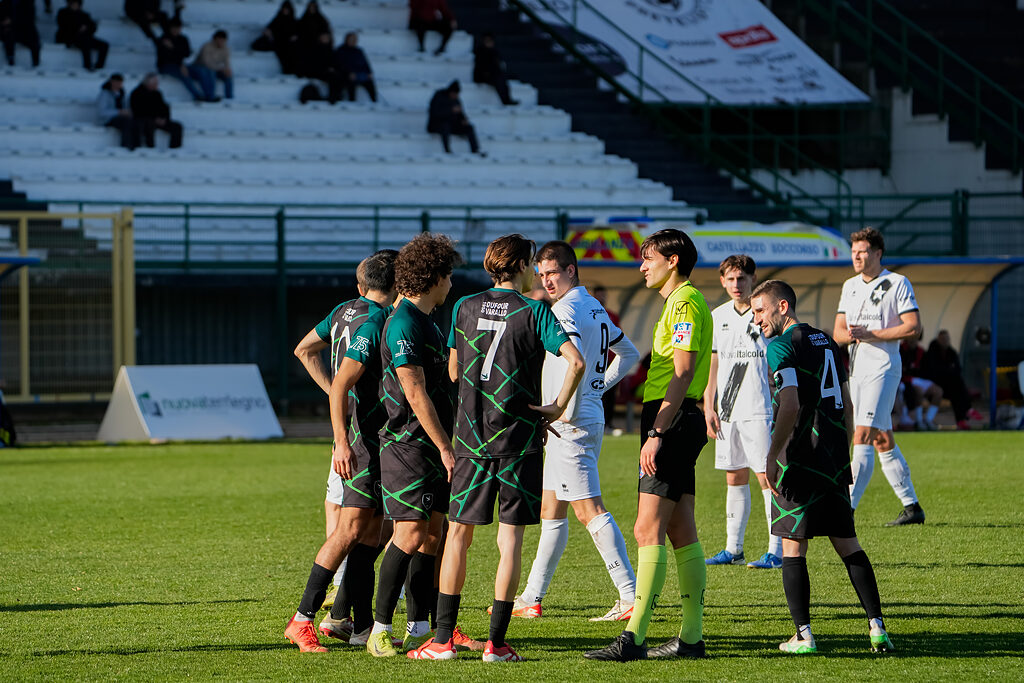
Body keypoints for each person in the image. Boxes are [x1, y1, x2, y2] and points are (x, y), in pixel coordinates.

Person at [406, 234, 584, 662]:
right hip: (519, 442)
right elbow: (576, 361)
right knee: (511, 541)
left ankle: (442, 641)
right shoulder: (535, 310)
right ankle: (497, 645)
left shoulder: (464, 306)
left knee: (457, 537)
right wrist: (557, 406)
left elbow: (453, 372)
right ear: (521, 265)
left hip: (470, 441)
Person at [585, 228, 711, 662]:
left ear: (672, 261)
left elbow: (682, 372)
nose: (642, 267)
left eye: (649, 258)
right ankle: (691, 639)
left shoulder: (685, 302)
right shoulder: (680, 301)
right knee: (681, 529)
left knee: (646, 528)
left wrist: (657, 431)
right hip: (677, 417)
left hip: (671, 418)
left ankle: (634, 638)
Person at [750, 279, 894, 655]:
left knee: (792, 547)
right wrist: (841, 450)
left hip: (798, 460)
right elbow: (846, 402)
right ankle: (877, 628)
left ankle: (803, 635)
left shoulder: (781, 346)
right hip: (831, 459)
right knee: (848, 544)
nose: (757, 320)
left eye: (760, 310)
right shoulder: (827, 341)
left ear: (783, 307)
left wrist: (772, 454)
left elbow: (790, 403)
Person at [513, 241, 640, 621]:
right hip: (580, 416)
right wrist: (598, 389)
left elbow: (576, 362)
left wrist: (566, 406)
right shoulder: (593, 306)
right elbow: (629, 354)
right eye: (541, 274)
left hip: (570, 423)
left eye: (552, 272)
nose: (546, 280)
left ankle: (630, 596)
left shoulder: (565, 310)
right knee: (551, 510)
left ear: (571, 270)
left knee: (589, 510)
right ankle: (531, 597)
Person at [284, 251, 400, 653]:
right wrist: (341, 403)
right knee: (351, 530)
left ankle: (360, 626)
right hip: (362, 440)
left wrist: (336, 394)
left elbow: (304, 350)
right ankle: (302, 619)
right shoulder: (380, 319)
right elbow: (339, 378)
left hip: (359, 436)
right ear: (398, 284)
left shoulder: (341, 311)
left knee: (371, 533)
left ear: (360, 284)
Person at [364, 233, 461, 658]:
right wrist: (445, 447)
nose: (452, 284)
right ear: (435, 277)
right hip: (409, 445)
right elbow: (414, 391)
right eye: (449, 275)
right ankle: (378, 630)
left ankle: (421, 627)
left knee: (433, 535)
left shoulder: (429, 321)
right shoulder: (403, 321)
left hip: (434, 445)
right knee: (409, 533)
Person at [833, 228, 925, 527]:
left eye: (862, 251)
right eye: (853, 252)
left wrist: (872, 334)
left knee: (861, 435)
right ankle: (912, 507)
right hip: (857, 370)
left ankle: (845, 510)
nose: (857, 257)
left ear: (877, 253)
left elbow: (913, 327)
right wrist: (851, 335)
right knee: (882, 439)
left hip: (883, 367)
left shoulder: (897, 282)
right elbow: (837, 332)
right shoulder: (849, 286)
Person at [703, 255, 783, 570]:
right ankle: (733, 549)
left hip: (759, 407)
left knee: (766, 476)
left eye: (742, 278)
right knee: (734, 474)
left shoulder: (765, 314)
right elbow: (714, 363)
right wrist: (708, 404)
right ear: (723, 281)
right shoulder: (718, 315)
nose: (736, 284)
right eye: (731, 279)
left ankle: (776, 550)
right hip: (727, 409)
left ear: (753, 279)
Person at [925, 329, 980, 429]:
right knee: (957, 385)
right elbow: (934, 371)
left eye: (946, 339)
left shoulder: (952, 353)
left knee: (956, 391)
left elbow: (957, 370)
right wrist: (948, 371)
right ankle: (968, 410)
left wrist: (948, 372)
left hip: (949, 386)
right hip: (934, 384)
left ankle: (961, 420)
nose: (945, 341)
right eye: (942, 339)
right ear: (938, 340)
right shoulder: (932, 352)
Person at [156, 18, 213, 102]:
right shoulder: (164, 39)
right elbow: (166, 57)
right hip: (166, 66)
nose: (176, 30)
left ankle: (209, 96)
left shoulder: (183, 39)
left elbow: (187, 53)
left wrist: (173, 48)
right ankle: (197, 96)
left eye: (178, 28)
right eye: (174, 28)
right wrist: (179, 58)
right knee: (183, 73)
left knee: (202, 70)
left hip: (182, 64)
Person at [591, 285, 621, 430]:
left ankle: (608, 422)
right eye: (599, 294)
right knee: (596, 391)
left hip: (610, 360)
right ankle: (596, 422)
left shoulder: (612, 316)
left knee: (610, 393)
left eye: (603, 294)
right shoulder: (589, 314)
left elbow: (620, 339)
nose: (601, 297)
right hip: (595, 360)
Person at [899, 334, 942, 431]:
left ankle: (928, 420)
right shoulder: (900, 349)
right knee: (919, 391)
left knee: (938, 391)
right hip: (904, 380)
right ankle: (918, 421)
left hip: (918, 379)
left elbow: (925, 370)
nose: (913, 341)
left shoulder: (920, 351)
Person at [427, 81, 482, 155]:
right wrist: (450, 110)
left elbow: (461, 113)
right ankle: (447, 150)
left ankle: (475, 150)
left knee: (469, 128)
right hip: (437, 125)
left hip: (452, 125)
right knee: (445, 126)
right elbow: (435, 113)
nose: (455, 96)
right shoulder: (439, 96)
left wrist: (463, 120)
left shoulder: (456, 100)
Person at [130, 73, 183, 148]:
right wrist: (154, 118)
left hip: (158, 120)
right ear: (148, 83)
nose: (157, 85)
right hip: (144, 120)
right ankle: (150, 148)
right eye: (155, 83)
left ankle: (175, 148)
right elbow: (138, 111)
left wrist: (164, 118)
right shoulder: (136, 93)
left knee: (177, 126)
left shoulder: (157, 93)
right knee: (148, 123)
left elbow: (164, 108)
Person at [55, 0, 107, 70]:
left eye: (77, 4)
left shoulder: (84, 14)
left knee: (104, 45)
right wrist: (78, 28)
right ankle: (87, 65)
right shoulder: (63, 13)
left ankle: (99, 66)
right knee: (85, 43)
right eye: (73, 3)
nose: (75, 5)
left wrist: (86, 28)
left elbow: (92, 27)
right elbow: (63, 26)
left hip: (85, 37)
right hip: (69, 38)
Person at [251, 0, 299, 75]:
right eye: (284, 9)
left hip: (287, 44)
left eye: (287, 9)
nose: (285, 11)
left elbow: (297, 33)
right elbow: (269, 29)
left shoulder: (293, 21)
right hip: (277, 42)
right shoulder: (278, 18)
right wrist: (269, 33)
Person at [96, 73, 139, 150]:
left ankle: (136, 146)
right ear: (111, 82)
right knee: (126, 122)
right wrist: (119, 112)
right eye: (117, 82)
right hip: (107, 119)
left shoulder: (122, 94)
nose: (119, 84)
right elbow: (102, 112)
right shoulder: (104, 94)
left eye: (120, 82)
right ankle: (126, 146)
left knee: (136, 121)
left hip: (121, 118)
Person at [472, 33, 517, 106]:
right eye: (487, 41)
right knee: (499, 80)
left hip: (493, 75)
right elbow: (481, 67)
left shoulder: (495, 52)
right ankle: (505, 101)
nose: (489, 43)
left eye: (490, 41)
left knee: (502, 79)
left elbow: (497, 65)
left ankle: (507, 100)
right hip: (482, 76)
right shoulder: (480, 52)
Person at [333, 32, 377, 102]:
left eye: (355, 39)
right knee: (350, 81)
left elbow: (365, 63)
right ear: (347, 39)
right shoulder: (340, 50)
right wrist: (349, 73)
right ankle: (352, 101)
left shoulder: (359, 51)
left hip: (359, 74)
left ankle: (375, 101)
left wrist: (369, 72)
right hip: (346, 74)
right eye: (351, 39)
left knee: (370, 82)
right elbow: (340, 65)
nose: (353, 41)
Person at [191, 29, 233, 100]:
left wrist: (227, 69)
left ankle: (229, 97)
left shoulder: (226, 49)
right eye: (220, 40)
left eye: (223, 41)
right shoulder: (207, 46)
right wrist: (221, 69)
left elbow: (227, 62)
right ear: (215, 39)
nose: (221, 42)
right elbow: (206, 63)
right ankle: (211, 95)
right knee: (211, 72)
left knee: (228, 75)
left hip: (216, 69)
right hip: (202, 68)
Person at [1, 0, 41, 67]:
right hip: (9, 30)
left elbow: (29, 18)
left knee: (34, 38)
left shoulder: (28, 3)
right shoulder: (6, 2)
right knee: (8, 34)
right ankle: (10, 60)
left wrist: (11, 20)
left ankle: (36, 63)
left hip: (24, 30)